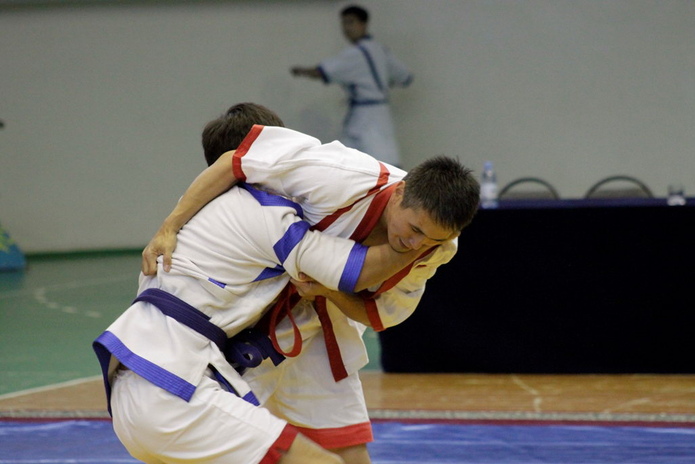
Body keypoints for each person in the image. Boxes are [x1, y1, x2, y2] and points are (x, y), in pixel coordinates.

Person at [93, 106, 431, 464]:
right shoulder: (267, 214)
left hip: (137, 375)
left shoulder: (185, 223)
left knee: (339, 453)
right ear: (259, 165)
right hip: (175, 387)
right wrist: (428, 239)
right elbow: (355, 271)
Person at [290, 5, 412, 167]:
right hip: (376, 114)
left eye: (351, 22)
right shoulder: (380, 50)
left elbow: (324, 71)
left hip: (366, 116)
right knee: (357, 160)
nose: (346, 28)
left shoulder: (356, 53)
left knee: (377, 164)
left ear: (363, 24)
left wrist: (301, 71)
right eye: (344, 23)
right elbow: (404, 77)